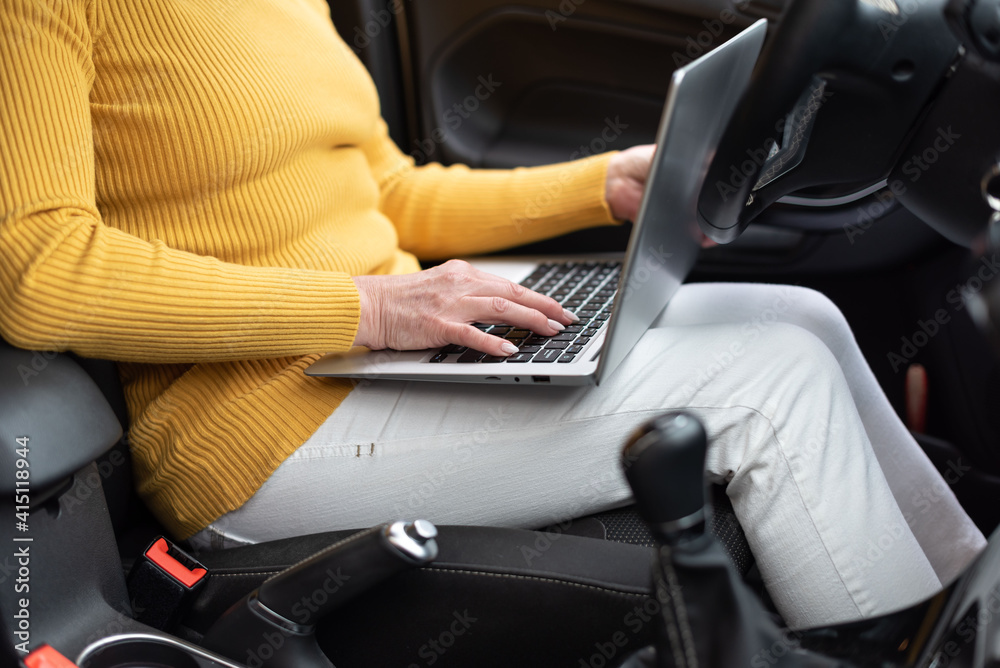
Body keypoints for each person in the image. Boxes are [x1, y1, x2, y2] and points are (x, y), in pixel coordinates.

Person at [0, 0, 985, 629]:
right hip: (261, 430)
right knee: (772, 381)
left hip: (378, 357)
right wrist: (371, 306)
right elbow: (37, 271)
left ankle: (960, 613)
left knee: (800, 315)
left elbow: (385, 189)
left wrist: (601, 183)